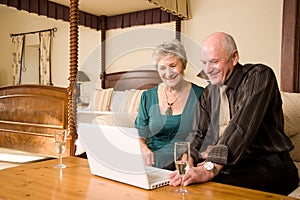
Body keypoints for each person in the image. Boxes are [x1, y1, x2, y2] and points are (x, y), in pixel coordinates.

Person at [169, 32, 299, 195]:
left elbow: (241, 127)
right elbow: (198, 134)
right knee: (169, 175)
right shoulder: (209, 93)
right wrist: (188, 160)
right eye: (204, 63)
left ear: (234, 57)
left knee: (213, 186)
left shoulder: (259, 76)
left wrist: (210, 168)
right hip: (230, 165)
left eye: (214, 62)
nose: (208, 70)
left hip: (269, 163)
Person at [134, 39, 204, 170]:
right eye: (162, 68)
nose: (168, 73)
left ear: (183, 65)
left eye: (173, 66)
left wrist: (189, 157)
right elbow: (140, 134)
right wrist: (143, 148)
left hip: (185, 160)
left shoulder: (201, 95)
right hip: (151, 160)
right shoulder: (147, 96)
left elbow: (205, 135)